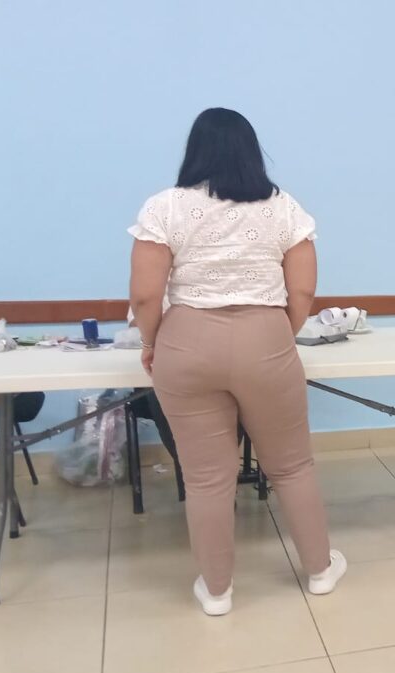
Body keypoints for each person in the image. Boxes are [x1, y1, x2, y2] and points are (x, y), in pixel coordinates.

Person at [128, 107, 345, 615]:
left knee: (207, 477)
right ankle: (319, 570)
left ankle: (217, 591)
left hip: (186, 342)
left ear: (194, 151)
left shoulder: (164, 208)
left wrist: (153, 344)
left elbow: (144, 296)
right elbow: (303, 290)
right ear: (251, 152)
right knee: (291, 465)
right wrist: (279, 332)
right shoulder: (284, 208)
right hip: (265, 336)